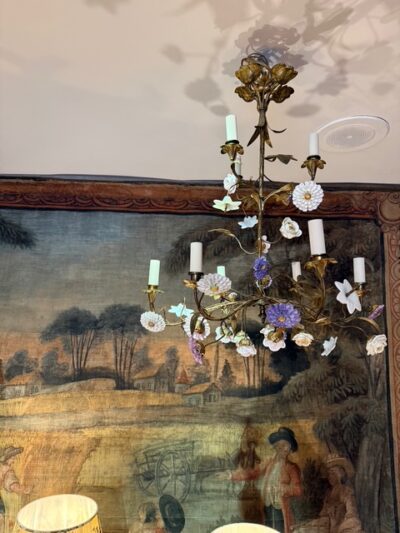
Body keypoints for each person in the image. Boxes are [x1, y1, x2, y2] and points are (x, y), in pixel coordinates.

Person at [231, 427, 302, 533]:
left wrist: (284, 488)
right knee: (268, 529)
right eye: (279, 445)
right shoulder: (269, 462)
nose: (281, 448)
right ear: (276, 447)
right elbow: (253, 473)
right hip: (267, 505)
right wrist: (231, 475)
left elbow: (298, 489)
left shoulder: (292, 467)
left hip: (281, 507)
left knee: (280, 529)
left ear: (290, 449)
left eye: (285, 446)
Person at [292, 454, 364, 533]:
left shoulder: (345, 491)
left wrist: (344, 526)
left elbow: (351, 512)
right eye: (328, 474)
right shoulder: (328, 493)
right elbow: (323, 514)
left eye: (332, 474)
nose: (329, 477)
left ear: (339, 474)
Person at [0, 446, 31, 533]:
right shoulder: (7, 470)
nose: (14, 460)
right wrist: (25, 490)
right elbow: (12, 485)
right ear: (7, 458)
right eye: (13, 458)